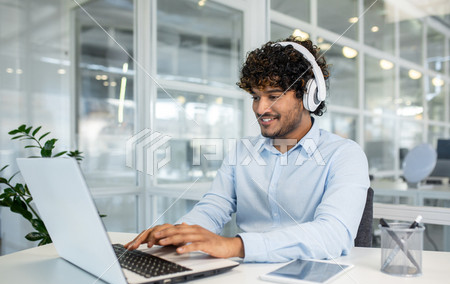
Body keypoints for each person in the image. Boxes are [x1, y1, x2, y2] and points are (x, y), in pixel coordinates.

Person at [125, 37, 370, 263]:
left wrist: (237, 246)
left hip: (311, 277)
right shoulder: (242, 151)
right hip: (245, 274)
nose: (260, 108)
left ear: (308, 96)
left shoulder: (345, 155)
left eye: (273, 96)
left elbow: (334, 233)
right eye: (255, 97)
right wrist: (178, 234)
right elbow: (214, 208)